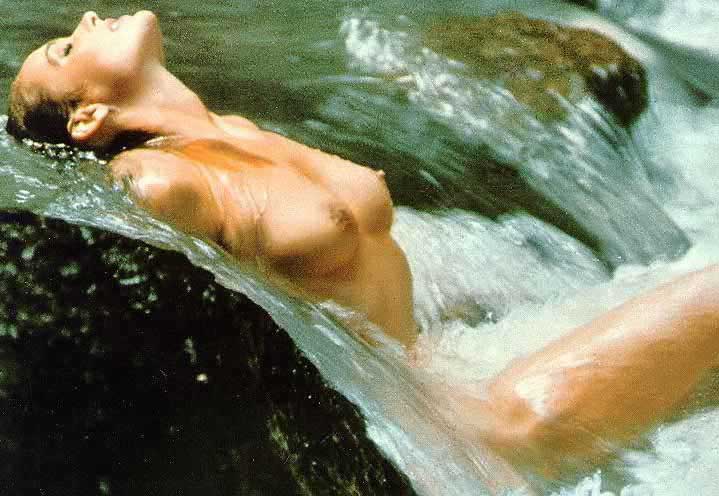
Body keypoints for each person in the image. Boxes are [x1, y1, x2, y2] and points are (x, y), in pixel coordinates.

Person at [6, 10, 719, 489]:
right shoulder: (160, 183)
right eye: (65, 49)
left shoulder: (232, 131)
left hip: (435, 370)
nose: (86, 18)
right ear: (89, 116)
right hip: (477, 432)